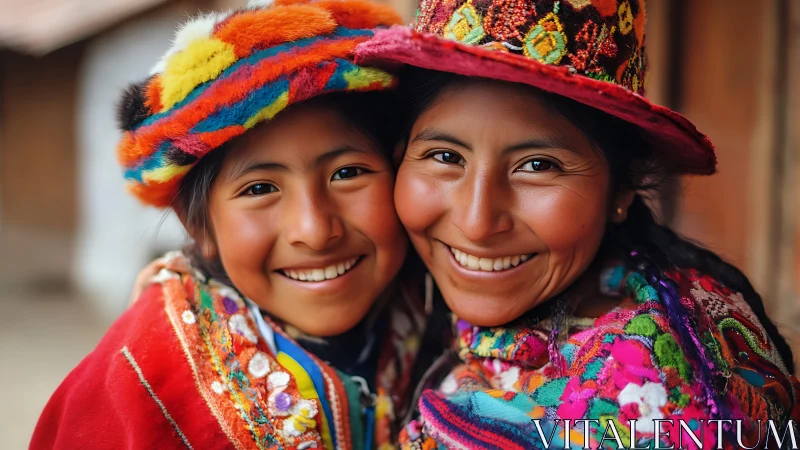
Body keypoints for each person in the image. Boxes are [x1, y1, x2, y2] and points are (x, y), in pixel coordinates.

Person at [354, 0, 800, 448]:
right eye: (446, 157)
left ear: (620, 190)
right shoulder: (400, 303)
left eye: (537, 165)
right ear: (399, 157)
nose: (476, 223)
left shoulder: (649, 391)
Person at [30, 1, 429, 449]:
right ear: (197, 226)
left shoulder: (435, 312)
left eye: (347, 173)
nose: (315, 231)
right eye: (259, 189)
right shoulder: (134, 387)